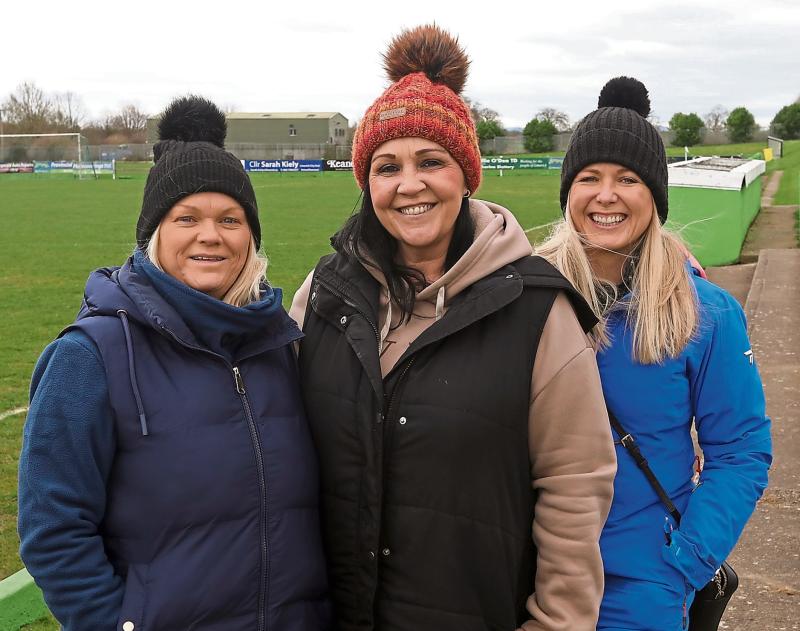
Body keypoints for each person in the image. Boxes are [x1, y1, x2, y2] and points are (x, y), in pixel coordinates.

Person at [289, 25, 616, 631]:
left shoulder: (538, 310)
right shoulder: (323, 294)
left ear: (466, 174)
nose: (408, 184)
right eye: (387, 167)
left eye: (431, 162)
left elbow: (576, 486)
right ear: (367, 184)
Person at [18, 96, 331, 631]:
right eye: (187, 217)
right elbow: (53, 528)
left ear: (251, 236)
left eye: (230, 218)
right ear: (155, 234)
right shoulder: (89, 355)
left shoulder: (279, 344)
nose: (211, 235)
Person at [537, 77, 772, 630]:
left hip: (642, 589)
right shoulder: (524, 297)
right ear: (569, 192)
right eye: (589, 178)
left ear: (654, 196)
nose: (606, 195)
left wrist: (684, 560)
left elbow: (741, 450)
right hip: (531, 576)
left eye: (628, 179)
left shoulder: (707, 313)